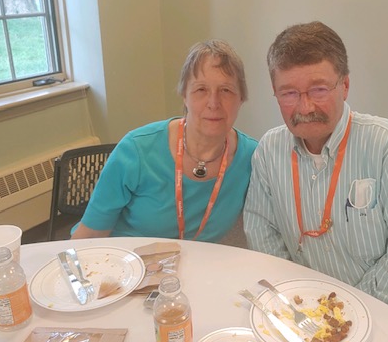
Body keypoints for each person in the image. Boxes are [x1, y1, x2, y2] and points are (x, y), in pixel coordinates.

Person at [243, 21, 388, 342]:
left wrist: (344, 312)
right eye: (289, 93)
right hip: (308, 306)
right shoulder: (269, 151)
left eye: (318, 90)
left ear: (345, 85)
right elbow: (262, 234)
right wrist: (300, 298)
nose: (305, 107)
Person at [71, 39, 258, 242]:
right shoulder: (137, 150)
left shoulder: (253, 158)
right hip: (122, 258)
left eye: (226, 90)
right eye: (201, 90)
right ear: (184, 95)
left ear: (241, 98)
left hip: (195, 261)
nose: (214, 103)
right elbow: (88, 238)